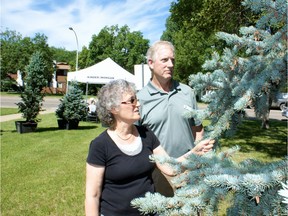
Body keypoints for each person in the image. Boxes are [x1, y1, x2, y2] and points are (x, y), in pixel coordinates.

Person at [85, 79, 213, 216]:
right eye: (132, 100)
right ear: (113, 108)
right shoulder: (100, 145)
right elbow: (93, 195)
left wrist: (194, 152)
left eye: (137, 99)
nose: (138, 104)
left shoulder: (146, 134)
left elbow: (170, 167)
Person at [137, 40, 213, 196]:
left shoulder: (187, 92)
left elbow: (198, 129)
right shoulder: (140, 99)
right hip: (157, 174)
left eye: (173, 60)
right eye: (165, 60)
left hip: (189, 169)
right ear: (150, 63)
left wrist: (197, 159)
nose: (170, 64)